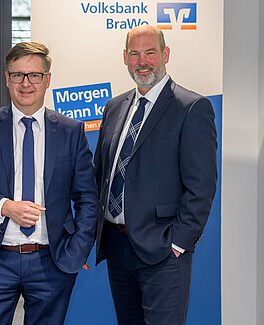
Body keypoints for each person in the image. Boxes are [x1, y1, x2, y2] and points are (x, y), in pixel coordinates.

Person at [0, 42, 98, 325]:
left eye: (34, 75)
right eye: (18, 75)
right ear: (7, 79)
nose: (26, 83)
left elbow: (88, 197)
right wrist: (4, 206)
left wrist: (77, 248)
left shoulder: (70, 131)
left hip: (50, 261)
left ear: (47, 80)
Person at [94, 25, 217, 324]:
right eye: (134, 54)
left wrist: (178, 242)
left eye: (150, 53)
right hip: (117, 246)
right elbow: (101, 174)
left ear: (166, 54)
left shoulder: (191, 108)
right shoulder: (114, 107)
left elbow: (201, 187)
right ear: (124, 58)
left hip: (163, 250)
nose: (142, 61)